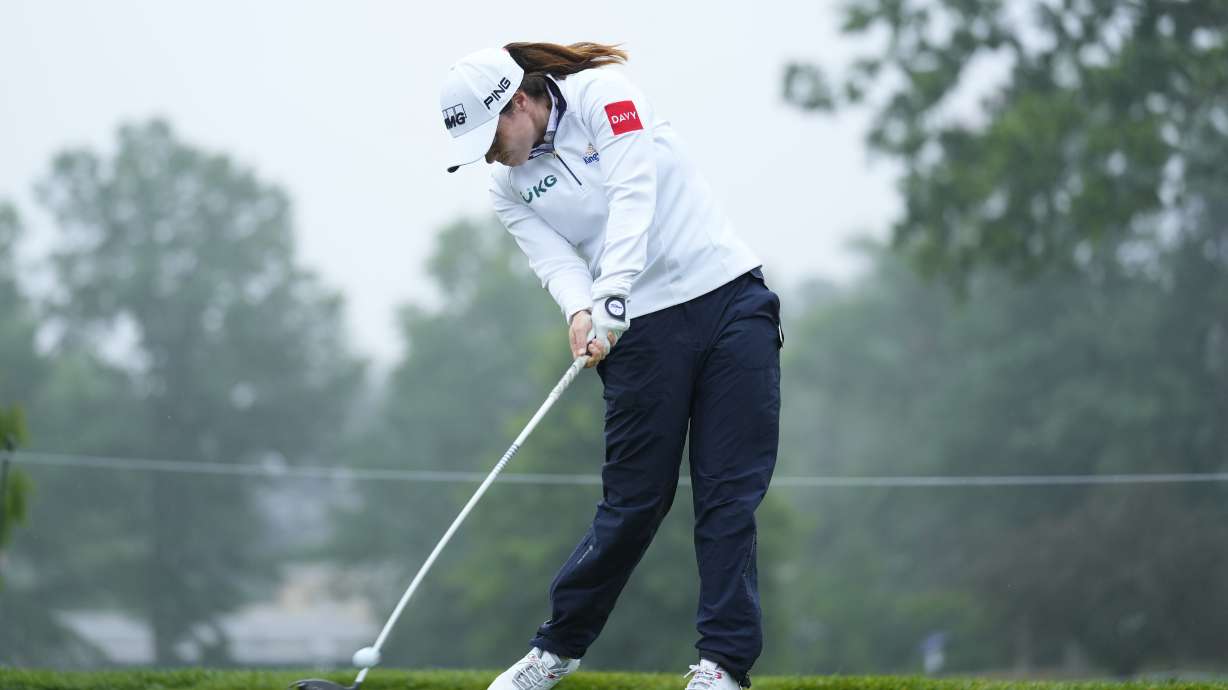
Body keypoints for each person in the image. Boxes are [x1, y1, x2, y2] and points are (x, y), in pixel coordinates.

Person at [439, 42, 783, 690]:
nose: (490, 155)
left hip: (728, 300)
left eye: (490, 138)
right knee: (632, 504)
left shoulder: (606, 92)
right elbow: (558, 262)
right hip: (640, 332)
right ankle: (555, 650)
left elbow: (635, 189)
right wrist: (579, 310)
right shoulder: (507, 185)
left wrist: (613, 288)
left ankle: (722, 666)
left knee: (727, 494)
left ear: (517, 102)